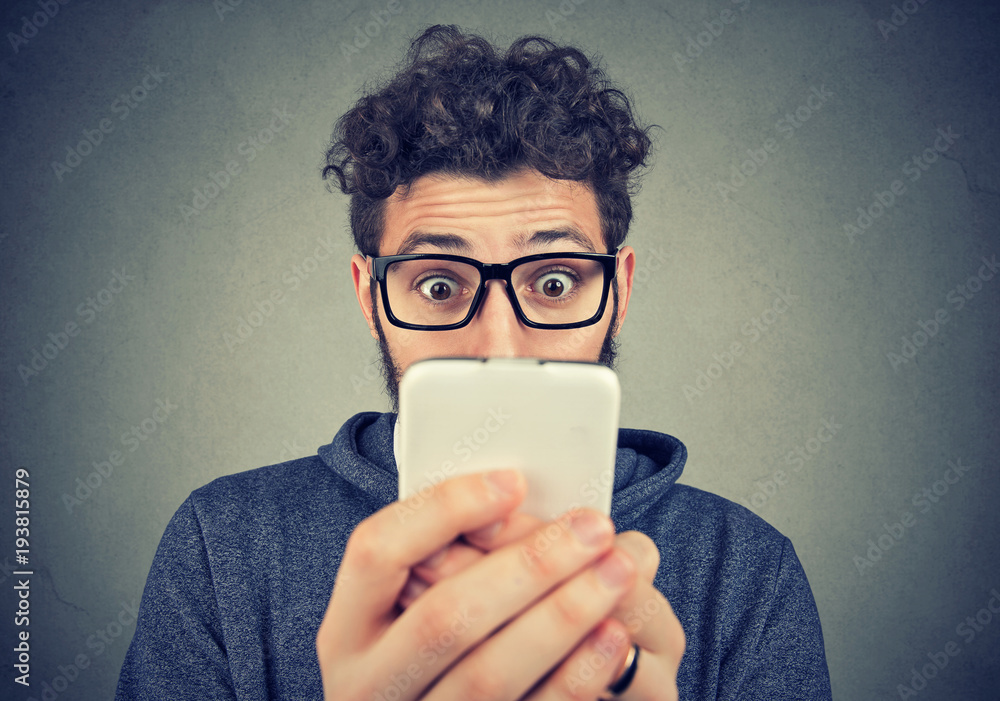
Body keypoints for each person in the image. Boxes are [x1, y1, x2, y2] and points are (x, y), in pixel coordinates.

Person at [116, 25, 832, 700]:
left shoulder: (749, 572)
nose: (500, 346)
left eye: (554, 283)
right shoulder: (224, 545)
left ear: (619, 291)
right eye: (437, 284)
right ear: (371, 297)